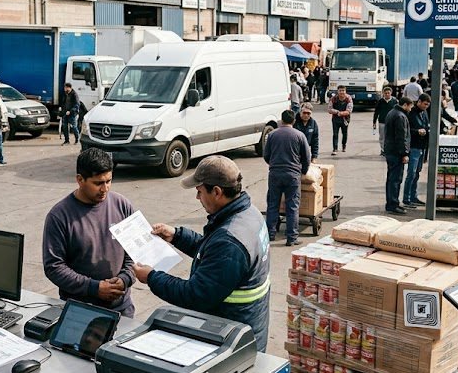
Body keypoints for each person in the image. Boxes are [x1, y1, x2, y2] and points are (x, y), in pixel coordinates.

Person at [133, 157, 270, 351]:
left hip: (231, 340)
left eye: (199, 191)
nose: (197, 198)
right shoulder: (248, 214)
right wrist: (177, 236)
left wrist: (152, 277)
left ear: (217, 192)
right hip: (247, 326)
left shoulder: (230, 241)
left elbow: (195, 295)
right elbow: (213, 253)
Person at [42, 148, 136, 316]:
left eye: (109, 181)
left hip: (122, 310)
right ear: (80, 180)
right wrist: (94, 288)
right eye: (98, 183)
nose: (105, 189)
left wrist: (124, 279)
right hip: (79, 312)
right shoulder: (59, 216)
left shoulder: (122, 205)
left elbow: (136, 251)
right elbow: (54, 267)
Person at [264, 110, 311, 247]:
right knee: (292, 206)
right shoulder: (299, 135)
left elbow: (266, 155)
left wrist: (274, 165)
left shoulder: (272, 135)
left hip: (275, 174)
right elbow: (306, 157)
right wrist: (303, 171)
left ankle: (270, 234)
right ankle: (291, 237)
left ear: (281, 120)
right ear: (294, 121)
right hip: (293, 175)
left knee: (273, 204)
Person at [383, 97, 413, 215]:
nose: (410, 109)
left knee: (391, 179)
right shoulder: (400, 116)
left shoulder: (392, 112)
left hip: (390, 151)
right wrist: (405, 153)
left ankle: (391, 202)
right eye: (410, 106)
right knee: (395, 179)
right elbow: (401, 137)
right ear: (405, 105)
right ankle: (393, 204)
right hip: (396, 153)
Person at [403, 93, 431, 208]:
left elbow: (426, 126)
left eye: (427, 105)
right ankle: (407, 198)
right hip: (414, 147)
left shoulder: (424, 113)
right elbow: (407, 130)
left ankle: (413, 196)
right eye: (424, 104)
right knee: (411, 173)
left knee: (417, 173)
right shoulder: (411, 113)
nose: (426, 107)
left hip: (422, 147)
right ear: (419, 102)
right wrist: (417, 131)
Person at [328, 86, 352, 154]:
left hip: (345, 119)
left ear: (345, 91)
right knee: (335, 134)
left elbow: (349, 110)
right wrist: (337, 112)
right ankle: (335, 149)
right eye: (340, 90)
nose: (342, 92)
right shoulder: (333, 99)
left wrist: (342, 113)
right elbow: (329, 109)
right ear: (337, 91)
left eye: (343, 90)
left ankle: (344, 145)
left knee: (344, 133)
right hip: (335, 118)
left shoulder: (348, 98)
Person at [373, 87, 397, 155]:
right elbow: (376, 112)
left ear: (391, 93)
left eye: (388, 93)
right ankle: (383, 150)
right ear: (383, 93)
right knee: (382, 137)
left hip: (392, 122)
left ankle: (391, 149)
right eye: (385, 93)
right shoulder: (380, 101)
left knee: (392, 136)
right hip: (382, 122)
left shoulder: (395, 101)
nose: (387, 94)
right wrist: (374, 122)